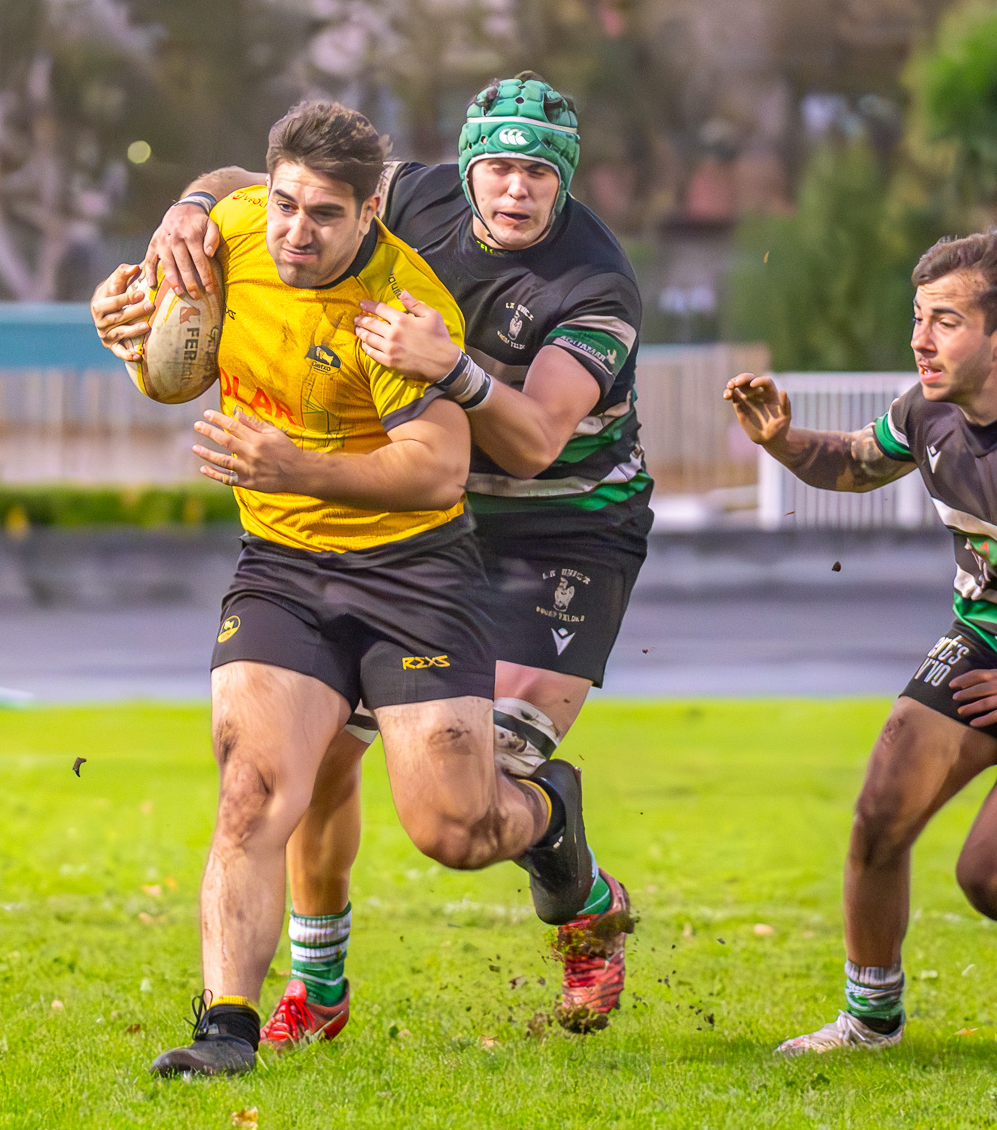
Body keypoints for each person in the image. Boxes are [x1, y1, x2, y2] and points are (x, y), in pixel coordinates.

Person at [95, 72, 648, 1040]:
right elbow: (255, 184)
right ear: (467, 168)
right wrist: (186, 211)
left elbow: (532, 442)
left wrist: (453, 368)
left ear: (565, 181)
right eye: (499, 167)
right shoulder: (406, 195)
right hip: (423, 516)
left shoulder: (592, 285)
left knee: (469, 802)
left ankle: (574, 872)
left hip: (563, 529)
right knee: (310, 763)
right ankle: (318, 986)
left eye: (538, 174)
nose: (515, 189)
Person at [723, 230, 997, 1055]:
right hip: (986, 641)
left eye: (945, 321)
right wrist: (783, 441)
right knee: (879, 814)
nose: (920, 339)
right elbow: (854, 463)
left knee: (994, 882)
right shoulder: (927, 410)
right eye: (918, 317)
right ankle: (870, 1022)